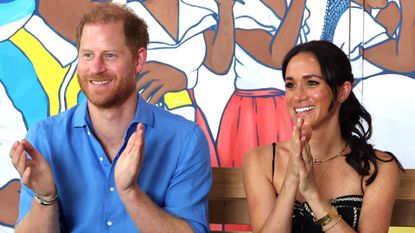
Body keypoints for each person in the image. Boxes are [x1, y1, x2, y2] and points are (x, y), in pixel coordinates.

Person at [9, 3, 212, 233]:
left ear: (138, 60)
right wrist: (45, 197)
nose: (96, 68)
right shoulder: (45, 138)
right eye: (87, 55)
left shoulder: (184, 140)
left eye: (110, 55)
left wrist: (130, 192)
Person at [243, 40, 403, 232]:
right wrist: (292, 179)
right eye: (290, 84)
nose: (298, 95)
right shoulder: (260, 160)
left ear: (343, 91)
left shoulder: (380, 167)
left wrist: (312, 194)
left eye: (312, 83)